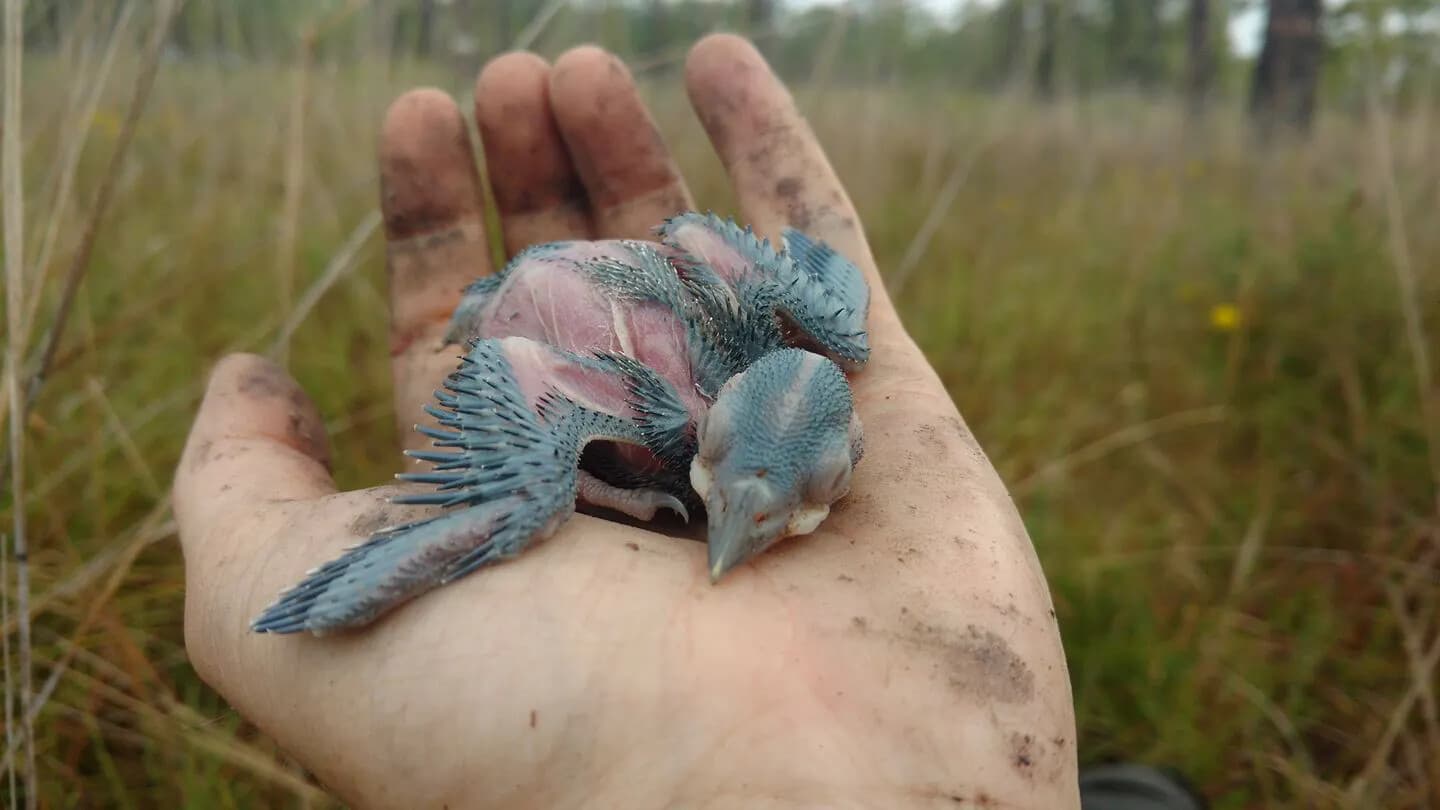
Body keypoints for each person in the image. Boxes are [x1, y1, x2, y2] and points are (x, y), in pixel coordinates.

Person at [173, 34, 1082, 809]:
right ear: (714, 419)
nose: (743, 515)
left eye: (796, 497)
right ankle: (506, 498)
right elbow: (522, 360)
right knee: (529, 493)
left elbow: (696, 245)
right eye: (730, 474)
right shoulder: (671, 406)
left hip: (595, 278)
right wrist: (559, 484)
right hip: (529, 303)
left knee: (831, 341)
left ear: (852, 460)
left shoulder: (797, 353)